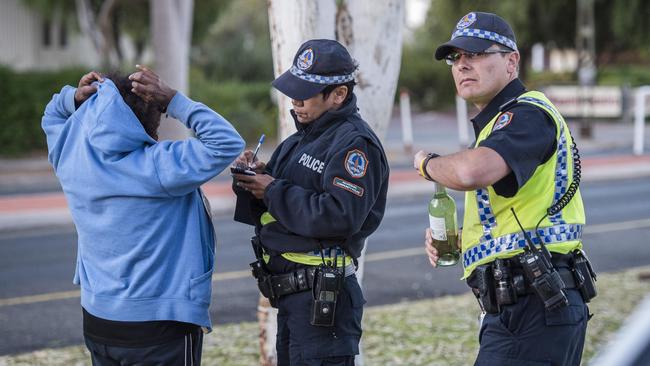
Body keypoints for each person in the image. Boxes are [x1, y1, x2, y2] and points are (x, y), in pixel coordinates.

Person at [414, 12, 596, 366]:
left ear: (512, 61)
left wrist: (426, 163)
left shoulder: (526, 114)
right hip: (524, 304)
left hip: (533, 305)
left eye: (477, 53)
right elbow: (515, 215)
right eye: (456, 57)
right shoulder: (497, 126)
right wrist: (465, 240)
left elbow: (472, 171)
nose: (463, 64)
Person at [42, 66, 244, 365]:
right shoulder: (160, 166)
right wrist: (173, 99)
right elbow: (227, 142)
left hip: (98, 320)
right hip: (158, 327)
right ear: (152, 117)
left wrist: (72, 97)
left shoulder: (70, 157)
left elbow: (52, 116)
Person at [231, 39, 389, 365]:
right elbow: (269, 209)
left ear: (338, 95)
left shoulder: (354, 144)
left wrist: (271, 189)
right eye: (292, 90)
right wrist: (252, 178)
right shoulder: (298, 141)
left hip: (321, 303)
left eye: (304, 93)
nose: (294, 100)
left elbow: (339, 215)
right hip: (291, 299)